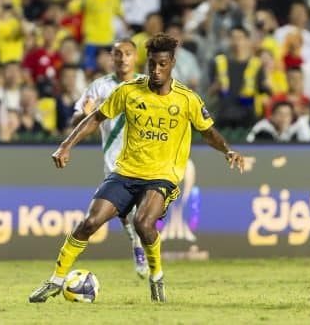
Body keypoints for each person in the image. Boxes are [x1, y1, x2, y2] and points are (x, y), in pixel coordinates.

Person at [29, 33, 245, 303]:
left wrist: (228, 150)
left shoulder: (187, 99)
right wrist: (66, 145)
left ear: (172, 64)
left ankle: (156, 278)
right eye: (152, 64)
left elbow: (208, 131)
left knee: (143, 223)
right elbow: (96, 118)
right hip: (125, 172)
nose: (156, 70)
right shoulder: (129, 91)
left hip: (162, 176)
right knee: (89, 223)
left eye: (162, 64)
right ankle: (56, 280)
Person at [70, 38, 148, 277]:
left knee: (144, 213)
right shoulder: (99, 87)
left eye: (127, 53)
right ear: (111, 58)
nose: (123, 58)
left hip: (146, 156)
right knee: (125, 209)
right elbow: (76, 121)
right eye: (117, 54)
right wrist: (86, 113)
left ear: (136, 57)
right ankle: (137, 246)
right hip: (114, 159)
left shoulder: (147, 86)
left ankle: (140, 245)